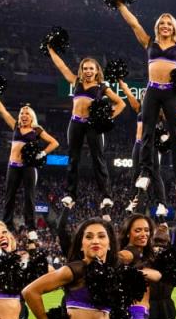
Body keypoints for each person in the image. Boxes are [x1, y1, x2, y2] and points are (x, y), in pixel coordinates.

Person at [117, 4, 176, 213]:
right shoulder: (149, 42)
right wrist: (120, 4)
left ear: (174, 28)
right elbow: (134, 24)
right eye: (162, 23)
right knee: (147, 132)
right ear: (157, 27)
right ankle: (145, 174)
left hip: (171, 92)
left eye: (169, 24)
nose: (165, 26)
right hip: (152, 91)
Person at [46, 47, 125, 210]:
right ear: (81, 70)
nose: (88, 71)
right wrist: (51, 51)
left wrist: (106, 118)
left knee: (98, 159)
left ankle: (106, 196)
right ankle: (70, 194)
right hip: (75, 123)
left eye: (91, 68)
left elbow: (121, 103)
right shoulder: (76, 82)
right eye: (85, 68)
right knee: (73, 159)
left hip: (92, 125)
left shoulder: (102, 87)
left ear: (97, 71)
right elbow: (62, 66)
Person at [0, 94, 59, 235]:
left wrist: (42, 153)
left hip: (28, 167)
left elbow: (54, 143)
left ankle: (31, 227)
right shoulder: (15, 126)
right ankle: (7, 224)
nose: (24, 115)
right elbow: (3, 111)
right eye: (22, 113)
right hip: (13, 166)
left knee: (29, 197)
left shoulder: (36, 129)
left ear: (32, 117)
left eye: (27, 113)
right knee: (9, 196)